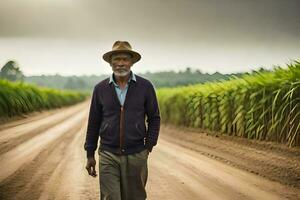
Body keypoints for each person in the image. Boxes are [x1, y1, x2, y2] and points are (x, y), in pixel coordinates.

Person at [84, 41, 161, 200]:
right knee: (111, 197)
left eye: (124, 59)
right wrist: (90, 154)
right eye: (116, 59)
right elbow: (93, 122)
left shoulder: (145, 87)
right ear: (110, 62)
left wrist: (148, 146)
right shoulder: (100, 89)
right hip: (108, 154)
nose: (120, 63)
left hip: (137, 154)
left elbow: (154, 118)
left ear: (131, 62)